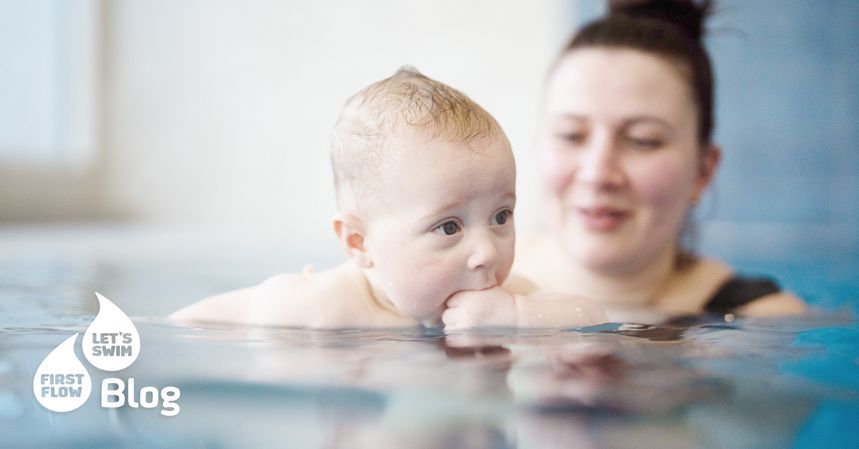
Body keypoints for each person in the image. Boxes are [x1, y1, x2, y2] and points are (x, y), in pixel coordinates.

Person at [171, 67, 605, 329]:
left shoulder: (507, 297)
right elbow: (190, 323)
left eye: (500, 215)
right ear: (358, 242)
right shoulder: (321, 306)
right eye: (449, 226)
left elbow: (592, 316)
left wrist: (517, 318)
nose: (486, 253)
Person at [513, 0, 806, 322]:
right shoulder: (466, 283)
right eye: (571, 135)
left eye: (643, 140)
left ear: (703, 172)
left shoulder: (760, 323)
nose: (597, 173)